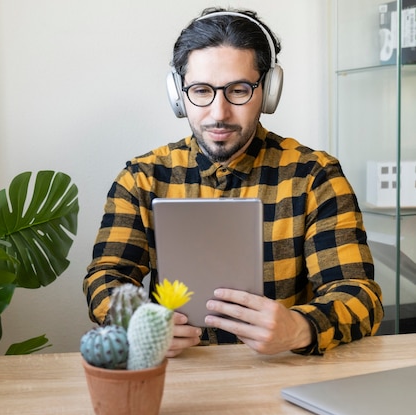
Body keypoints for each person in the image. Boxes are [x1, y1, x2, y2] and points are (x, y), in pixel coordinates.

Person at [82, 7, 384, 356]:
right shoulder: (141, 178)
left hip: (281, 374)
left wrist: (301, 328)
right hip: (178, 374)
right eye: (200, 90)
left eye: (239, 90)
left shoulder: (316, 176)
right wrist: (137, 323)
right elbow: (106, 277)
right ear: (178, 95)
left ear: (269, 91)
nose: (219, 112)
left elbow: (359, 294)